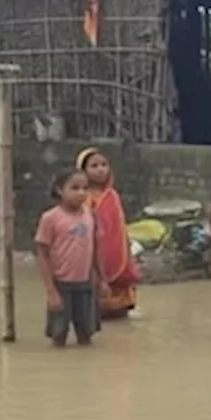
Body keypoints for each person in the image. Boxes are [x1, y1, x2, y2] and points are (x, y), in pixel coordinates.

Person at [35, 169, 108, 347]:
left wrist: (103, 280)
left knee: (86, 334)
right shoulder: (50, 218)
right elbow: (42, 254)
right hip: (61, 284)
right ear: (60, 190)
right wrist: (51, 291)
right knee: (58, 335)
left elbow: (96, 249)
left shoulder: (91, 215)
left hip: (86, 283)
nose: (82, 193)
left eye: (85, 188)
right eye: (75, 188)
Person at [76, 147, 142, 319]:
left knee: (121, 314)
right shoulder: (81, 199)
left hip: (118, 258)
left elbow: (120, 228)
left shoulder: (112, 196)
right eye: (94, 166)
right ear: (83, 171)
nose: (100, 169)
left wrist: (128, 254)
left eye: (104, 164)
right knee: (92, 313)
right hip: (90, 258)